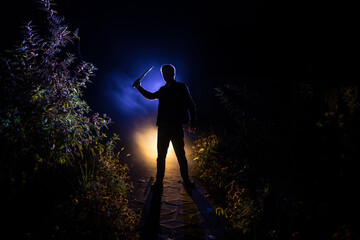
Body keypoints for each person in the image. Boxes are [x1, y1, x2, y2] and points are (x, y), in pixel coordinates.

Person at [133, 64, 196, 191]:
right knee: (161, 156)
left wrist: (192, 121)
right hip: (163, 127)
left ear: (173, 73)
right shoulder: (162, 90)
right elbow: (151, 96)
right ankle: (158, 183)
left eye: (168, 72)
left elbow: (191, 105)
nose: (166, 75)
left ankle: (186, 181)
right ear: (163, 75)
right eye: (164, 73)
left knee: (180, 155)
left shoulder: (181, 87)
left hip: (176, 126)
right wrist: (139, 87)